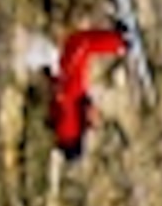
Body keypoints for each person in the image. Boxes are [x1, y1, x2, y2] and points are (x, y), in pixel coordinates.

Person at [49, 23, 133, 159]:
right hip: (70, 86)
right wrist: (57, 87)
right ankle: (120, 43)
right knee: (81, 44)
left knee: (81, 44)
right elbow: (62, 109)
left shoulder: (70, 133)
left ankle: (118, 41)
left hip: (73, 88)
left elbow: (60, 110)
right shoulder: (66, 133)